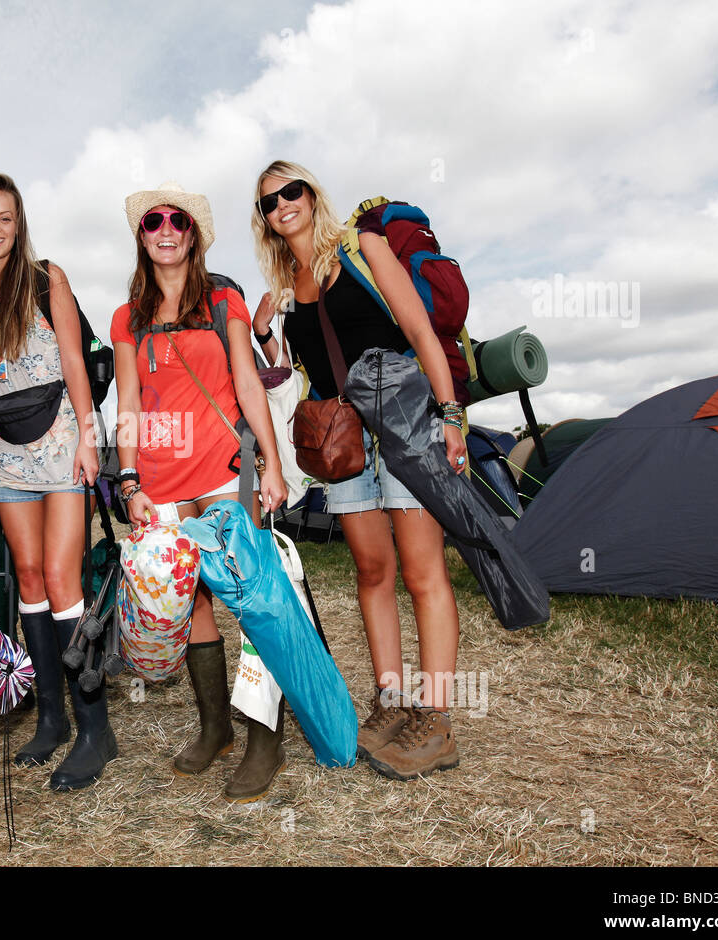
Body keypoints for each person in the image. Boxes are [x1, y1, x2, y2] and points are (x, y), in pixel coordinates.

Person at [250, 159, 467, 781]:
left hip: (407, 425)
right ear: (264, 220)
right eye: (269, 201)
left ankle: (437, 721)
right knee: (373, 571)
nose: (283, 204)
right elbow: (305, 372)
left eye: (292, 191)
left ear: (312, 195)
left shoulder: (364, 248)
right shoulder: (288, 283)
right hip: (345, 443)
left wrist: (450, 414)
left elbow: (420, 333)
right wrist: (270, 337)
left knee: (424, 573)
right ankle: (392, 702)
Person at [111, 181, 287, 803]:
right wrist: (129, 478)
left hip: (222, 469)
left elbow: (246, 380)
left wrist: (269, 460)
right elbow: (127, 400)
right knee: (193, 605)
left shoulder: (223, 299)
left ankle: (265, 734)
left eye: (176, 220)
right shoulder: (126, 316)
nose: (164, 229)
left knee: (255, 599)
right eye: (152, 221)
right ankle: (215, 728)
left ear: (192, 234)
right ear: (142, 235)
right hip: (159, 480)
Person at [0, 173, 115, 791]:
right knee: (26, 579)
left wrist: (89, 436)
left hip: (60, 442)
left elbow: (74, 358)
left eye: (7, 218)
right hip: (3, 451)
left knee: (61, 577)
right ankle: (50, 719)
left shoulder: (48, 278)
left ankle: (95, 728)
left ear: (20, 226)